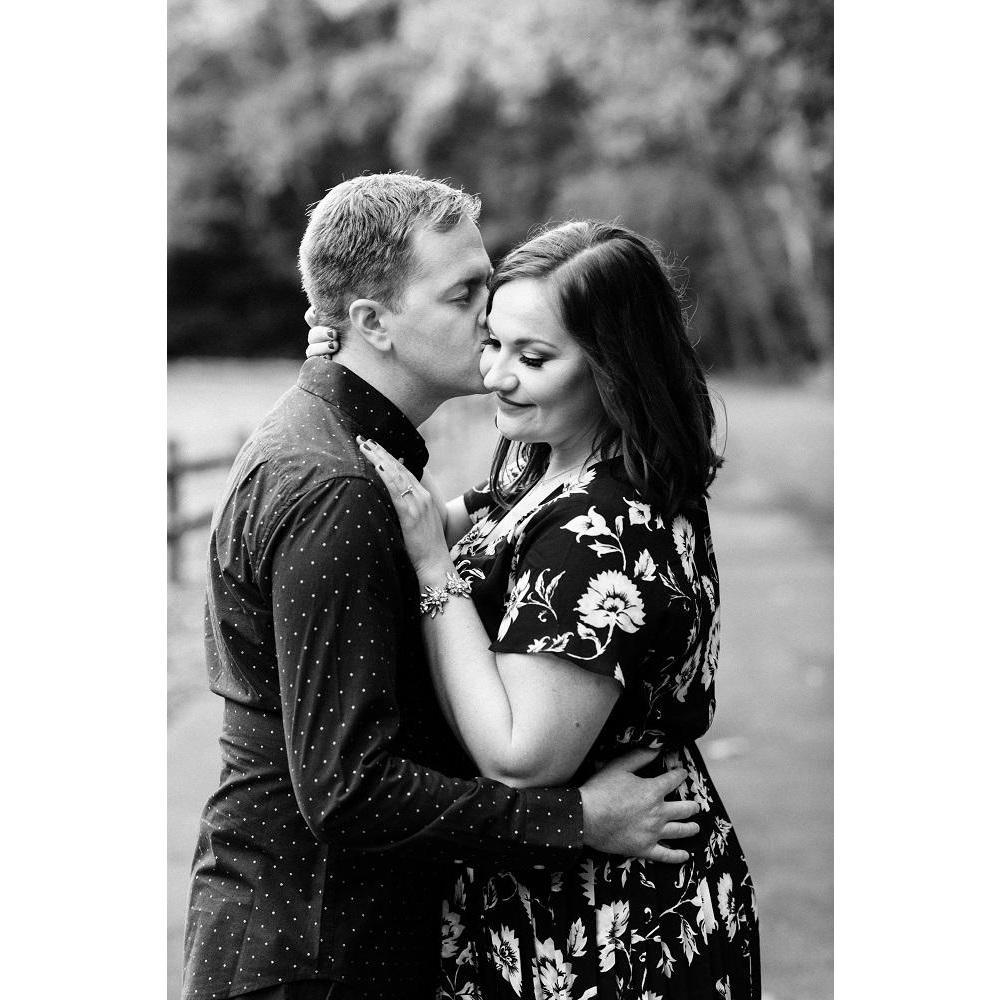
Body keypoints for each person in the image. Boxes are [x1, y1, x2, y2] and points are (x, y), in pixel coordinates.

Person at [181, 175, 702, 1000]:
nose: (490, 315)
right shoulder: (337, 486)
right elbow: (347, 789)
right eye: (464, 295)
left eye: (489, 284)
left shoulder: (348, 452)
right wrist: (577, 818)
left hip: (321, 933)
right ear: (373, 323)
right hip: (319, 949)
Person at [311, 220, 760, 998]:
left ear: (613, 367)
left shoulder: (600, 524)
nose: (496, 375)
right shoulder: (541, 470)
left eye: (534, 358)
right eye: (493, 343)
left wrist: (435, 569)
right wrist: (339, 357)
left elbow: (519, 755)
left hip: (608, 923)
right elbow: (435, 519)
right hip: (548, 893)